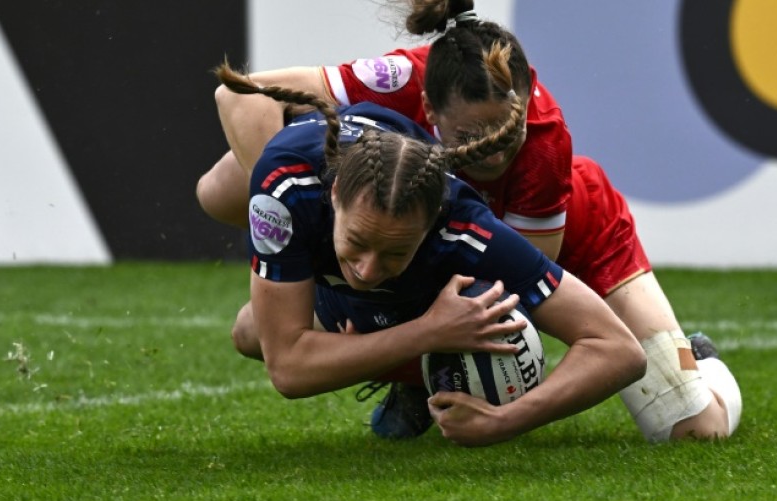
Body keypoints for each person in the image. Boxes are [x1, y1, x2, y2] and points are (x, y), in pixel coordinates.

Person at [202, 0, 742, 443]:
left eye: (509, 134)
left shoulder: (538, 154)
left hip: (565, 238)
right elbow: (240, 96)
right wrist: (300, 213)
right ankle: (412, 364)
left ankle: (701, 363)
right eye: (469, 138)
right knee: (225, 210)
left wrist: (495, 410)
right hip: (404, 226)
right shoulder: (405, 80)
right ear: (427, 109)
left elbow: (509, 306)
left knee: (694, 429)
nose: (492, 153)